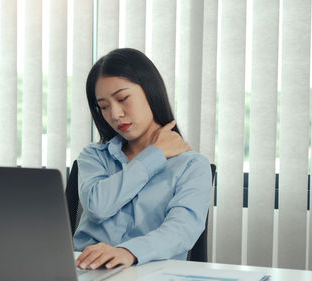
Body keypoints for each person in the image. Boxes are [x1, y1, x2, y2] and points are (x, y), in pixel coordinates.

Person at [73, 48, 212, 270]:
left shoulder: (192, 166)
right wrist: (154, 156)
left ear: (150, 90)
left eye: (122, 98)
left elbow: (181, 230)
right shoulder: (94, 156)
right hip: (86, 270)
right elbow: (97, 206)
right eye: (104, 107)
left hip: (150, 273)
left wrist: (127, 252)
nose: (115, 114)